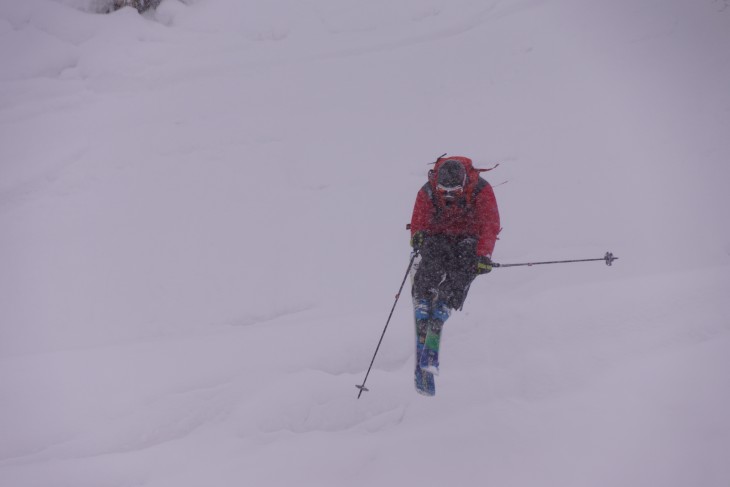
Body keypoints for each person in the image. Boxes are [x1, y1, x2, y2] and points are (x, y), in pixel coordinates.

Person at [409, 155, 500, 374]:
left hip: (468, 238)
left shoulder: (481, 189)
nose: (448, 196)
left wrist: (484, 255)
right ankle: (424, 298)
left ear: (464, 184)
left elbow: (490, 224)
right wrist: (418, 235)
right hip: (439, 235)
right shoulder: (427, 191)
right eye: (444, 191)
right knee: (431, 253)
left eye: (454, 192)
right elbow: (418, 220)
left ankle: (446, 302)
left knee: (466, 263)